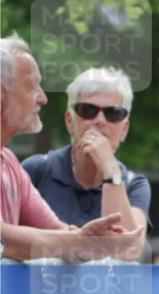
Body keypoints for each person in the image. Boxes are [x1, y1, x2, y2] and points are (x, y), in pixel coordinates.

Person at [1, 33, 143, 261]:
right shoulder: (35, 167)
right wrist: (80, 243)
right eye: (32, 87)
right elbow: (3, 240)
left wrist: (83, 242)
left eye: (113, 113)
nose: (43, 98)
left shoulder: (10, 164)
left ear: (125, 128)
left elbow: (61, 232)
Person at [22, 66, 149, 231]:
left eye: (113, 113)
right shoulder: (37, 170)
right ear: (69, 122)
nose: (100, 120)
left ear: (124, 130)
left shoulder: (134, 184)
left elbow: (127, 250)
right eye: (88, 110)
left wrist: (110, 170)